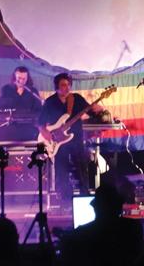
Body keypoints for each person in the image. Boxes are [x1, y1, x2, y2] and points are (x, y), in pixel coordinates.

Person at [37, 73, 102, 204]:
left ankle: (85, 198)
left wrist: (97, 110)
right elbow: (40, 122)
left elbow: (91, 113)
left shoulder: (76, 99)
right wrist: (45, 133)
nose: (66, 88)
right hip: (58, 142)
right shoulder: (50, 102)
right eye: (63, 85)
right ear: (57, 86)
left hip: (76, 139)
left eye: (68, 85)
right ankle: (65, 201)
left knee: (82, 169)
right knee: (61, 171)